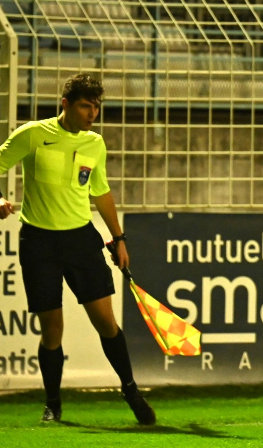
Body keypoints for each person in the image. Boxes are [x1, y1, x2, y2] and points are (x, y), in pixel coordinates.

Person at [0, 74, 155, 425]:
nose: (93, 113)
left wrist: (118, 238)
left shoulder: (94, 144)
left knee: (106, 322)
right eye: (86, 106)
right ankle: (53, 404)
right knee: (52, 329)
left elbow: (100, 191)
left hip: (81, 241)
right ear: (66, 104)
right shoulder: (32, 135)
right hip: (38, 242)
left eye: (97, 107)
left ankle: (130, 390)